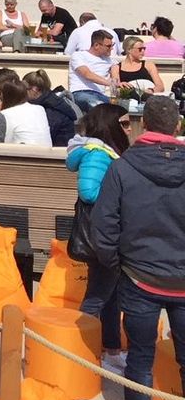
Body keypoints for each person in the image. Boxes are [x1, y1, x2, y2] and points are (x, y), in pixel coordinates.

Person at [92, 96, 185, 400]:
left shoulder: (122, 168)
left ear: (142, 125)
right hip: (165, 275)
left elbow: (103, 227)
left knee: (140, 361)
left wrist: (117, 265)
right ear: (178, 126)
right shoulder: (122, 167)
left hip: (137, 275)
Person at [66, 102, 131, 374]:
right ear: (110, 126)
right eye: (124, 124)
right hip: (102, 236)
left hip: (106, 234)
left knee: (110, 294)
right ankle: (77, 353)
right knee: (97, 296)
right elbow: (89, 193)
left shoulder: (106, 152)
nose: (129, 128)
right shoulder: (97, 154)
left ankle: (111, 350)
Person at [23, 69, 79, 147]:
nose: (22, 92)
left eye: (24, 89)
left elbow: (47, 134)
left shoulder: (52, 108)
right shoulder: (51, 101)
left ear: (34, 89)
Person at [69, 28, 120, 111]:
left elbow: (115, 73)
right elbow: (87, 74)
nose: (111, 48)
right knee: (95, 104)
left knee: (122, 106)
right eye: (108, 46)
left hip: (100, 95)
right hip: (81, 92)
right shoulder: (78, 56)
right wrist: (110, 83)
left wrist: (115, 79)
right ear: (96, 45)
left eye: (112, 45)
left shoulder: (110, 60)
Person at [0, 76, 52, 144]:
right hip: (46, 152)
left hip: (23, 153)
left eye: (0, 92)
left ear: (6, 96)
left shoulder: (5, 114)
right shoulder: (40, 109)